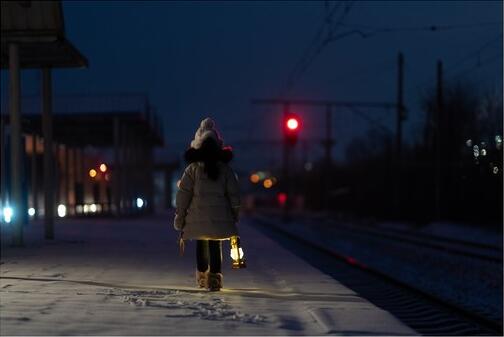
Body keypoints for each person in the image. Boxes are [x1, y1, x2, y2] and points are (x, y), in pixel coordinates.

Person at [174, 118, 240, 291]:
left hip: (197, 215)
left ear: (197, 145)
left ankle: (202, 276)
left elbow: (183, 195)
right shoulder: (226, 169)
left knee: (201, 243)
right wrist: (235, 212)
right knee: (215, 244)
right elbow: (234, 193)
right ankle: (215, 278)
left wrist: (180, 216)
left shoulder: (192, 169)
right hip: (220, 216)